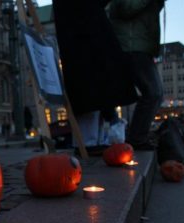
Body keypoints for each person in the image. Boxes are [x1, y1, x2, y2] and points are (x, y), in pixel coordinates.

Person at [53, 0, 138, 155]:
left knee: (95, 84)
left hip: (85, 29)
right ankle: (88, 142)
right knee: (90, 82)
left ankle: (93, 141)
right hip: (83, 31)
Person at [107, 0, 165, 150]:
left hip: (140, 46)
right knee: (153, 92)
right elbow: (125, 7)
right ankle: (137, 138)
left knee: (155, 93)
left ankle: (137, 136)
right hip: (132, 46)